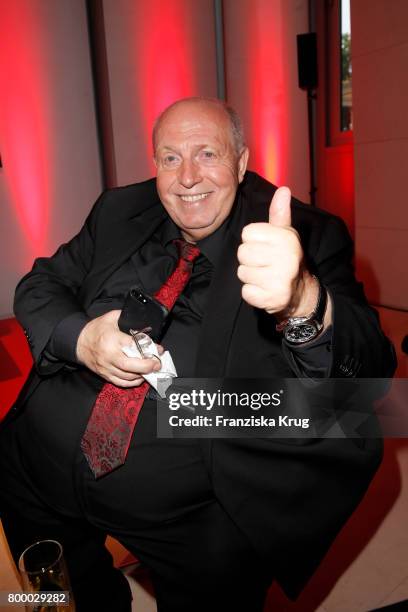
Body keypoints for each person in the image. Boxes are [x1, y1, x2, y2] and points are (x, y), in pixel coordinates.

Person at [0, 97, 395, 612]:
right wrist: (81, 339)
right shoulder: (119, 210)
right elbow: (40, 285)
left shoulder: (305, 234)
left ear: (241, 160)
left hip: (192, 510)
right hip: (33, 467)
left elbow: (367, 374)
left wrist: (302, 301)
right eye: (169, 157)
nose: (187, 177)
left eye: (207, 154)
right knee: (59, 591)